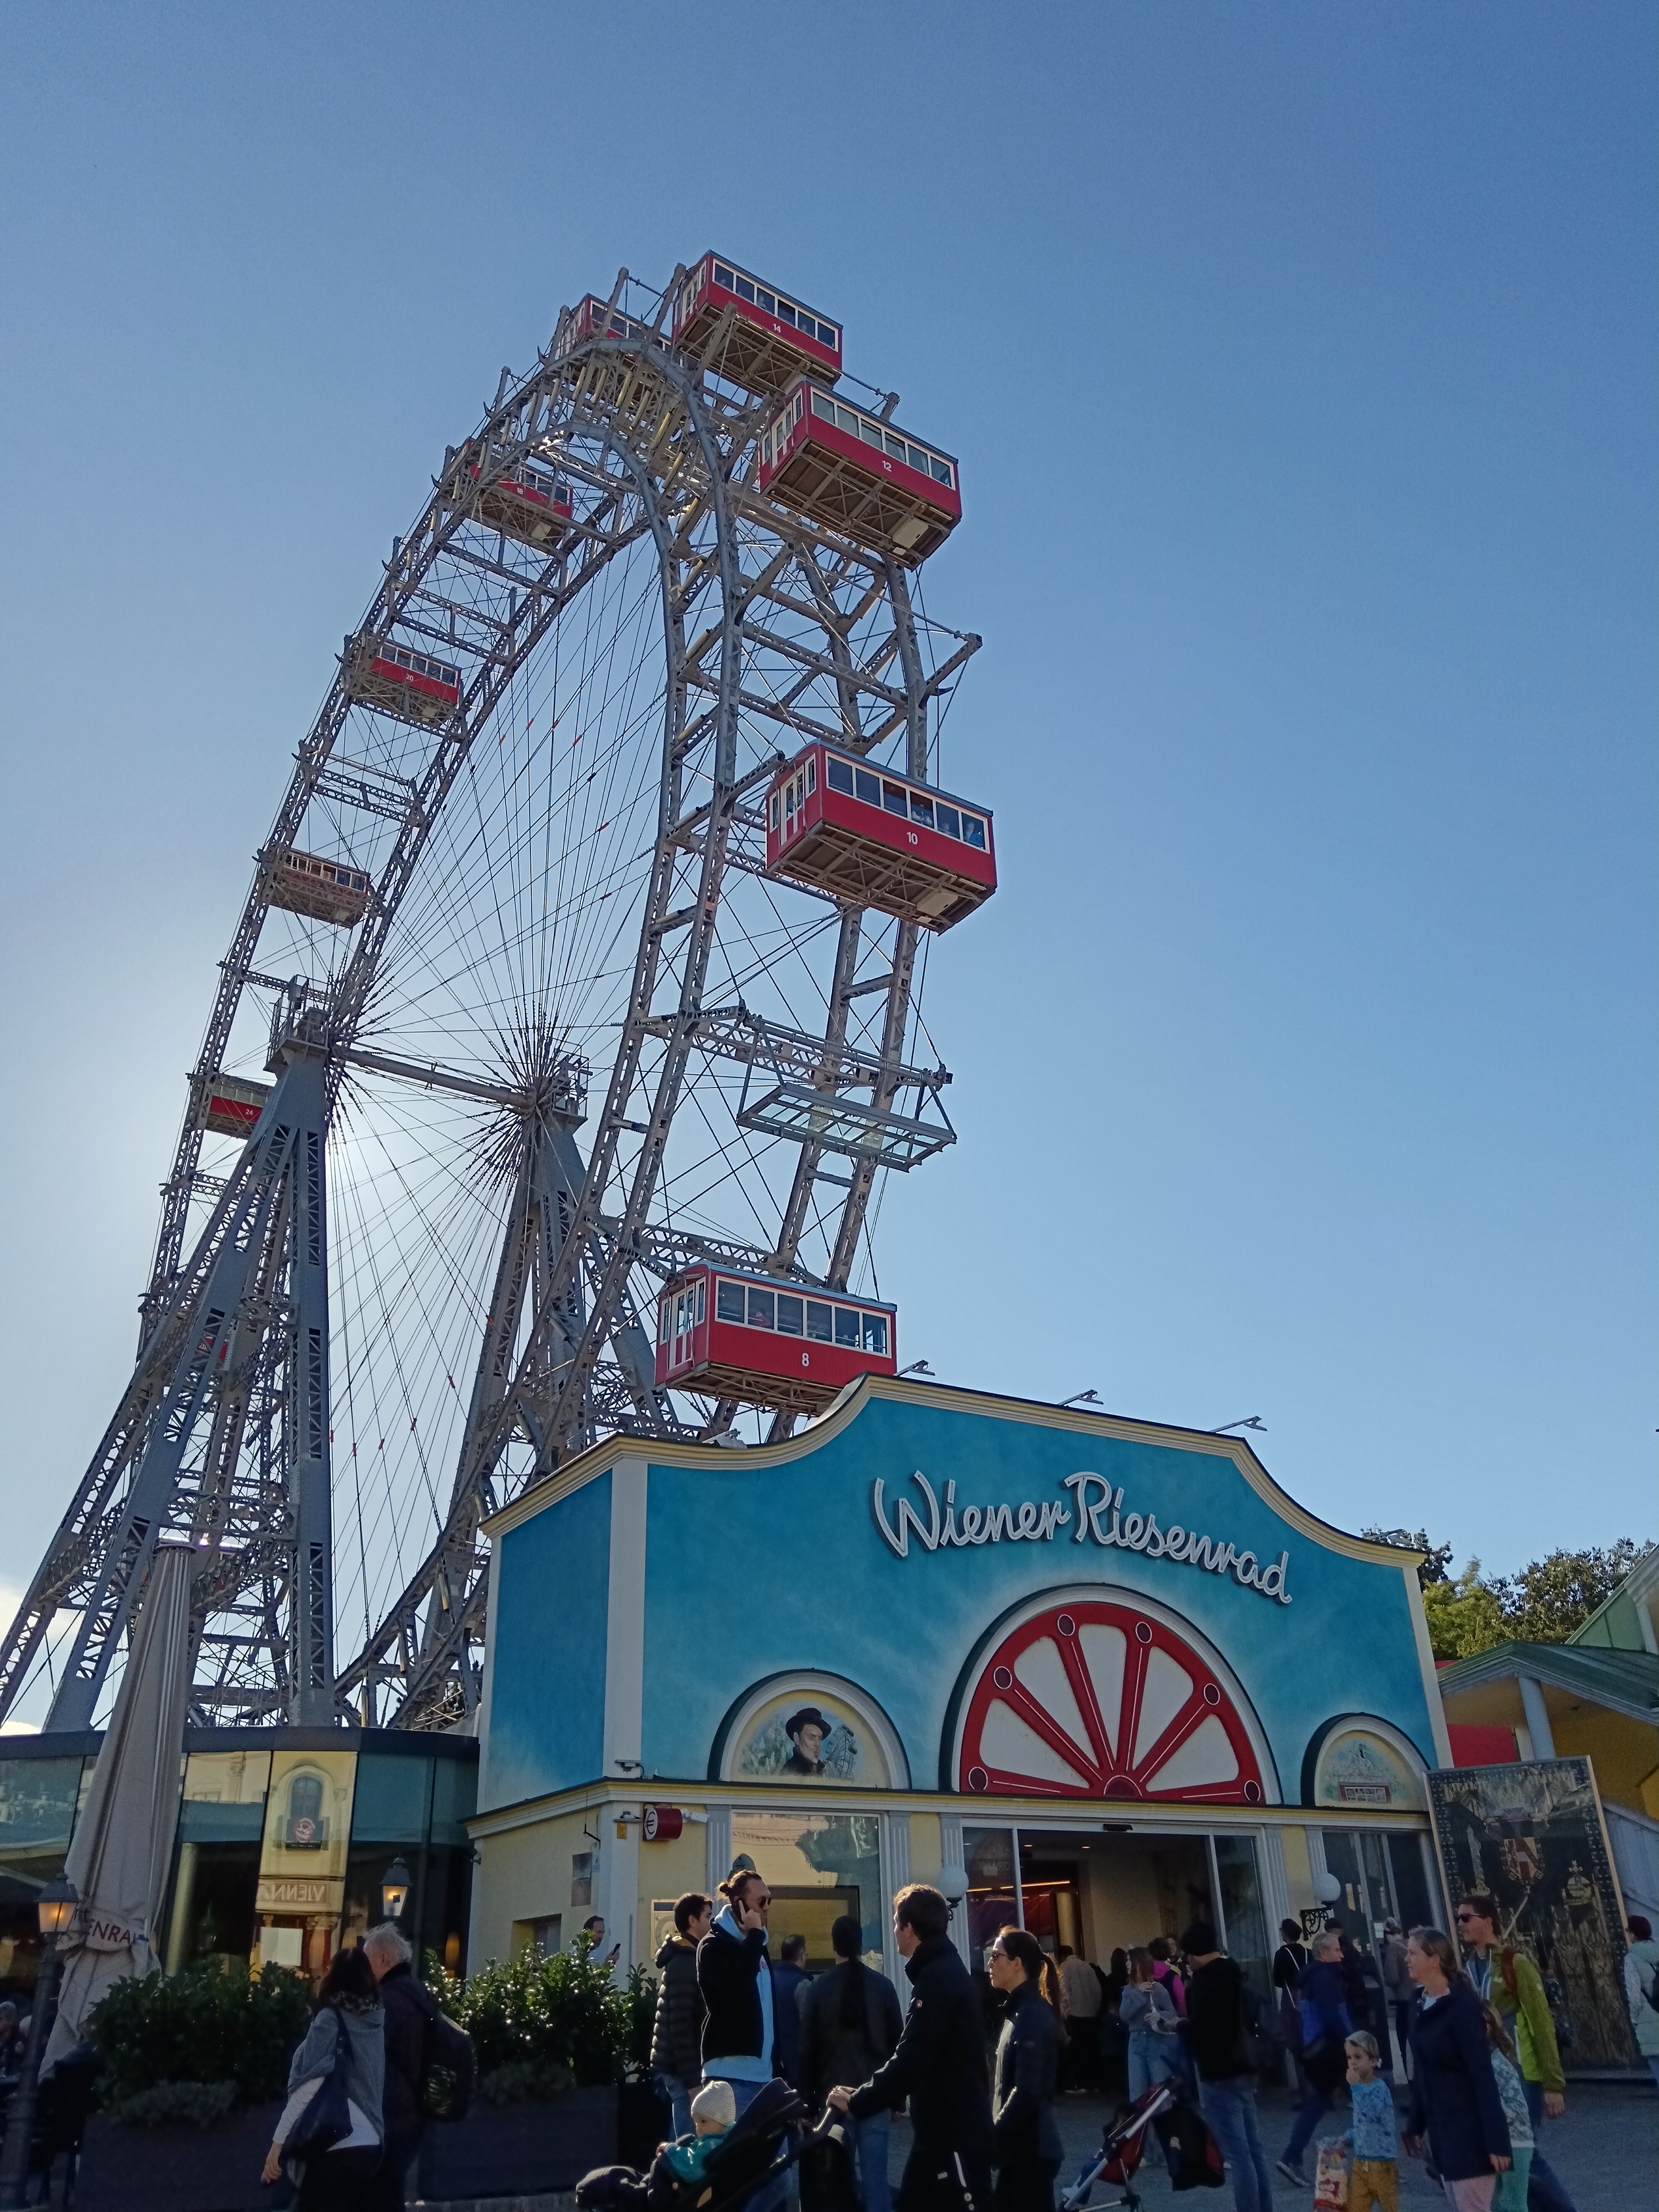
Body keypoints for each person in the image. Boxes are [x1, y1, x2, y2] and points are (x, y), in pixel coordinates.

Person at [826, 1883, 994, 2212]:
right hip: (940, 2133)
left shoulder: (935, 1979)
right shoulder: (943, 1969)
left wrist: (857, 2100)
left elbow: (912, 2058)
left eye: (895, 1923)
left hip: (952, 2135)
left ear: (909, 1928)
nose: (893, 1931)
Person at [1454, 1892, 1574, 2212]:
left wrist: (1553, 2083)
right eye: (1458, 1918)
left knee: (1524, 2152)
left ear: (1488, 1921)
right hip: (1489, 2071)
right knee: (1511, 2152)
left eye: (1466, 1918)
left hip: (1522, 2072)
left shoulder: (1514, 1963)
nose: (1460, 1924)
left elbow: (1542, 2023)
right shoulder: (1467, 1968)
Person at [262, 1944, 385, 2208]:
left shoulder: (330, 2020)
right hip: (371, 2146)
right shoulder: (376, 2023)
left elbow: (310, 2084)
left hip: (338, 2142)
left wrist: (277, 2144)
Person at [797, 1915, 904, 2212]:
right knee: (876, 2183)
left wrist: (806, 2102)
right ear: (861, 1944)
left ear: (834, 1944)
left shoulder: (818, 1988)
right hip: (875, 2096)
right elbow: (898, 2047)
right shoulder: (883, 1986)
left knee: (833, 2185)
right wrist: (897, 2100)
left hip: (832, 2101)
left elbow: (808, 2049)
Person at [1402, 1925, 1510, 2211]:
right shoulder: (1417, 2004)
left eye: (1413, 1953)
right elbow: (1424, 2072)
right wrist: (1415, 2124)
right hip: (1442, 2134)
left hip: (1469, 2133)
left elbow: (1482, 2075)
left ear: (1434, 1959)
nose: (1406, 1959)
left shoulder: (1461, 2007)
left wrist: (1497, 2140)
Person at [1180, 1918, 1276, 2212]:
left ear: (1194, 1954)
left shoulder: (1202, 1985)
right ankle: (1265, 2207)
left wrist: (1180, 2026)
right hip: (1246, 2067)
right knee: (1254, 2148)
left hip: (1219, 2073)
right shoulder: (1235, 1974)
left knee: (1238, 2154)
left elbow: (1203, 2032)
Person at [986, 1927, 1064, 2212]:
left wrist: (993, 2135)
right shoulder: (1019, 2011)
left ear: (1017, 1963)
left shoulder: (1031, 2014)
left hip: (1030, 2151)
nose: (990, 1964)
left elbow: (1028, 2091)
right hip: (1021, 2151)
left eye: (996, 1956)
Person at [361, 1923, 431, 2211]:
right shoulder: (418, 1992)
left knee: (380, 2196)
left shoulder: (389, 2000)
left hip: (391, 2115)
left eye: (367, 1961)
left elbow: (369, 2055)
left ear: (383, 1960)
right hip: (412, 2113)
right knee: (389, 2194)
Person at [1276, 1925, 1352, 2188]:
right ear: (1323, 1953)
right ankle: (1378, 2163)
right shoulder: (1324, 1978)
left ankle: (1292, 2156)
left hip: (1318, 2051)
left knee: (1317, 2105)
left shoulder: (1311, 1978)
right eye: (1337, 1950)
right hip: (1331, 2051)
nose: (1341, 1955)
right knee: (1368, 2099)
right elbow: (1333, 2014)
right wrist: (1353, 2042)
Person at [652, 1892, 713, 2141]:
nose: (712, 1922)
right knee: (687, 2139)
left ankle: (672, 2175)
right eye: (708, 1916)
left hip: (678, 2065)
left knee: (682, 2134)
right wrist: (692, 2082)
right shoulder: (686, 1961)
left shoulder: (688, 1955)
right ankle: (676, 2178)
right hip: (681, 2068)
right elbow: (682, 2026)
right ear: (693, 1921)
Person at [1335, 2031, 1398, 2212]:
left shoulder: (1380, 2089)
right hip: (1360, 2163)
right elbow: (1364, 2125)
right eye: (1349, 2057)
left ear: (1373, 2061)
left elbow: (1372, 2113)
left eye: (1358, 2057)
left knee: (1389, 2208)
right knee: (1355, 2208)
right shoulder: (1359, 2090)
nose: (1353, 2062)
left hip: (1383, 2163)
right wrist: (1349, 2138)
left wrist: (1355, 2088)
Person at [1480, 2004, 1534, 2212]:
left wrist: (1492, 2115)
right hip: (1497, 2141)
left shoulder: (1498, 2064)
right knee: (1497, 2204)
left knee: (1513, 2204)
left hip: (1516, 2142)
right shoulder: (1484, 2063)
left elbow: (1518, 2109)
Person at [1055, 1944, 1100, 2093]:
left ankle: (1078, 2083)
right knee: (1091, 2049)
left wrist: (1064, 2013)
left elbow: (1064, 1992)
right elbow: (1097, 1990)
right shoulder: (1087, 1967)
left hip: (1074, 2015)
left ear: (1062, 1956)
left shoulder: (1064, 1967)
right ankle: (1093, 2083)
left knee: (1076, 2051)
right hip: (1092, 2014)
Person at [1621, 1914, 1659, 2091]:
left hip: (1650, 2024)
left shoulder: (1632, 1959)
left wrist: (1635, 2020)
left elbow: (1635, 1997)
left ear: (1634, 1934)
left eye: (1628, 1931)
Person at [1379, 1921, 1411, 2073]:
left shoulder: (1393, 1949)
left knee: (1405, 2045)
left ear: (1387, 1936)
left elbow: (1393, 1978)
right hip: (1418, 1998)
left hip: (1403, 2001)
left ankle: (1412, 2082)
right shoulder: (1409, 1945)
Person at [783, 1709, 833, 1776]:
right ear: (797, 1739)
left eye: (820, 1739)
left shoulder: (822, 1772)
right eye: (811, 1737)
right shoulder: (789, 1772)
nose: (817, 1745)